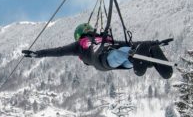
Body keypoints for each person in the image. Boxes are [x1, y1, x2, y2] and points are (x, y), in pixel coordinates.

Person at [22, 23, 173, 79]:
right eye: (88, 32)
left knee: (131, 49)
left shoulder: (106, 40)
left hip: (119, 60)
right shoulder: (79, 46)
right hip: (103, 60)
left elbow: (131, 43)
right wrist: (38, 54)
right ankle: (141, 61)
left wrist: (156, 43)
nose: (91, 33)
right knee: (127, 50)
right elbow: (59, 51)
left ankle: (152, 61)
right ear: (82, 34)